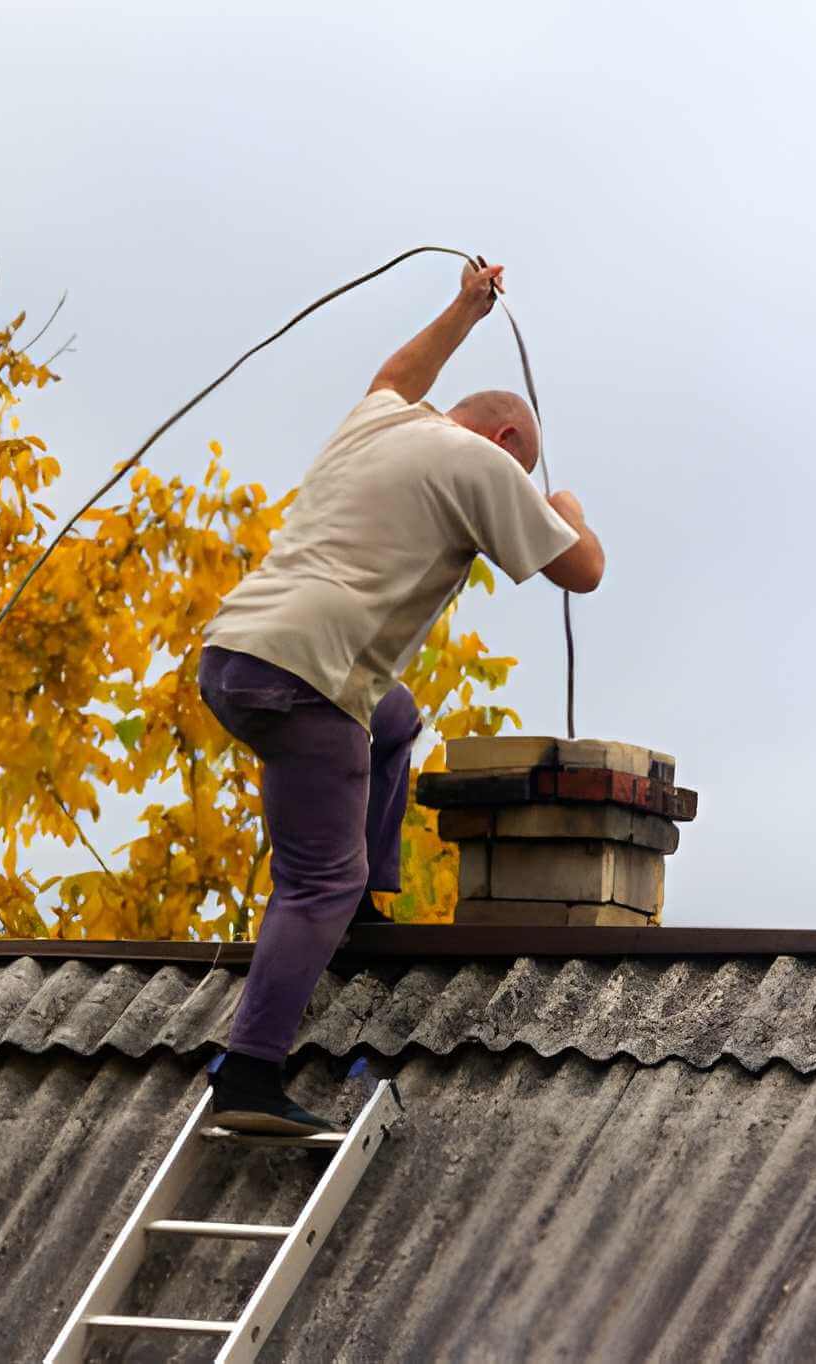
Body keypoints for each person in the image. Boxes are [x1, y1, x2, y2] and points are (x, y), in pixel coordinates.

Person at [197, 259, 607, 1133]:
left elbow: (395, 374)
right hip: (310, 679)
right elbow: (584, 571)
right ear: (504, 447)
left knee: (394, 714)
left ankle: (363, 904)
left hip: (238, 654)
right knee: (316, 879)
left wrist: (464, 309)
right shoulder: (484, 465)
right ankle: (250, 1075)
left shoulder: (382, 418)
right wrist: (565, 505)